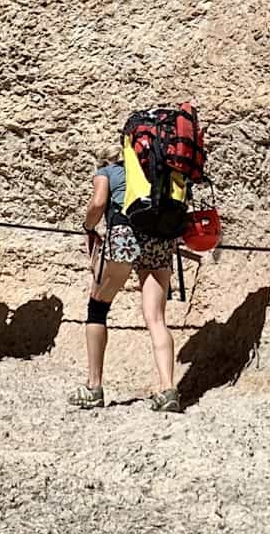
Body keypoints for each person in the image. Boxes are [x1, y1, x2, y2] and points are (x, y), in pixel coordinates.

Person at [70, 112, 194, 412]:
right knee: (156, 318)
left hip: (124, 238)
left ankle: (94, 387)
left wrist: (88, 228)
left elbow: (98, 204)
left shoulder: (107, 171)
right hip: (160, 239)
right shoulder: (160, 172)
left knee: (97, 307)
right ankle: (168, 390)